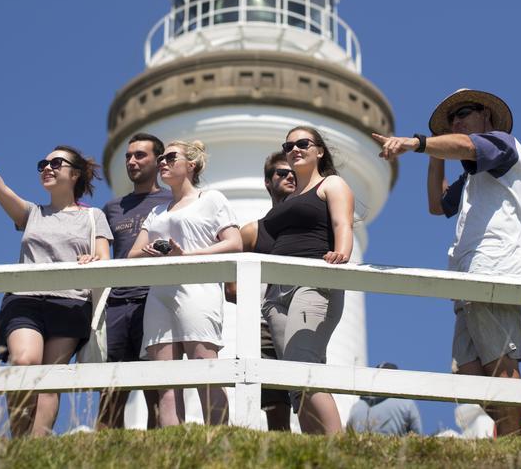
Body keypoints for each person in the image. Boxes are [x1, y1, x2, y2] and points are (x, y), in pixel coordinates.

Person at [371, 88, 521, 437]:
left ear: (487, 116)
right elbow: (437, 204)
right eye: (451, 119)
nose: (456, 121)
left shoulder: (503, 144)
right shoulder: (473, 178)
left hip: (495, 266)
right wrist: (434, 154)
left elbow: (467, 147)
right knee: (467, 370)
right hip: (469, 273)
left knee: (499, 361)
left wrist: (418, 143)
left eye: (464, 112)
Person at [0, 126, 112, 437]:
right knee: (23, 362)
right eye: (42, 165)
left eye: (56, 163)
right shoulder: (32, 214)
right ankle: (20, 444)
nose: (47, 168)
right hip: (25, 299)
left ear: (75, 175)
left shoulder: (94, 217)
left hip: (71, 302)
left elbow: (104, 256)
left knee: (50, 381)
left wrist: (94, 259)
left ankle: (36, 448)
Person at [129, 140, 243, 426]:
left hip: (198, 288)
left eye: (170, 157)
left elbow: (234, 243)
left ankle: (218, 441)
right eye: (161, 160)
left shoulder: (212, 199)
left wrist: (188, 254)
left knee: (205, 369)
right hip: (159, 293)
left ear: (191, 165)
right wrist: (153, 250)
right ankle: (173, 448)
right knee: (165, 381)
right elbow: (133, 253)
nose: (162, 163)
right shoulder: (156, 212)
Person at [255, 126, 355, 435]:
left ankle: (340, 449)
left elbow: (342, 222)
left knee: (303, 365)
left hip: (312, 281)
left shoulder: (331, 184)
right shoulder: (288, 199)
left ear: (319, 151)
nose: (294, 149)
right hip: (276, 295)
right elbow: (249, 234)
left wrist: (342, 252)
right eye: (288, 145)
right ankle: (318, 450)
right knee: (294, 381)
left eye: (302, 143)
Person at [96, 133, 171, 429]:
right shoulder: (112, 208)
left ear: (159, 160)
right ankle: (103, 450)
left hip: (156, 299)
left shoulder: (172, 200)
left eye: (140, 155)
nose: (131, 161)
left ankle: (156, 452)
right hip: (116, 302)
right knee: (110, 385)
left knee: (155, 383)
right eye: (128, 156)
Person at [227, 150, 296, 431]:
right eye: (281, 173)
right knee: (274, 402)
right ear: (268, 182)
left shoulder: (314, 227)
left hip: (305, 319)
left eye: (293, 172)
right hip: (264, 323)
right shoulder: (253, 231)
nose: (289, 176)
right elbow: (230, 288)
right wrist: (260, 307)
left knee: (308, 389)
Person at [346, 363, 422, 435]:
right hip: (396, 448)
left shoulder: (356, 406)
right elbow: (417, 435)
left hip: (361, 448)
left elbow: (348, 437)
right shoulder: (407, 403)